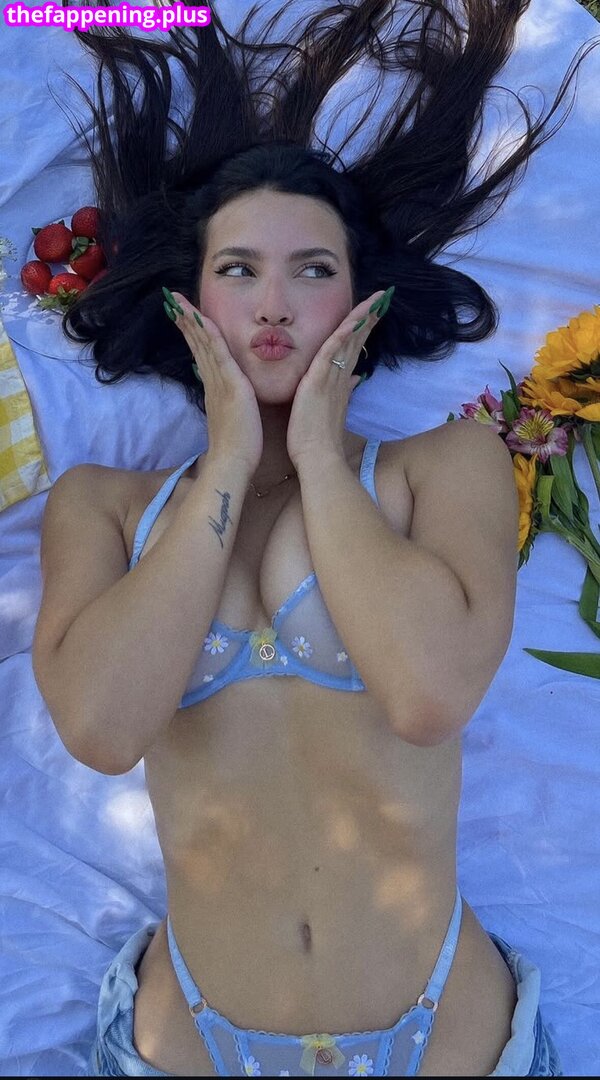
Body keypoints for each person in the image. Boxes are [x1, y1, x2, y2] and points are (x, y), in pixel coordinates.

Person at [31, 1, 594, 1075]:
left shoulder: (444, 466)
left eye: (314, 269)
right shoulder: (103, 505)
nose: (276, 303)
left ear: (362, 302)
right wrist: (226, 465)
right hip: (188, 1045)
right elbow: (103, 728)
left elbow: (428, 696)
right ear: (190, 299)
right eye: (239, 269)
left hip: (450, 1043)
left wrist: (325, 459)